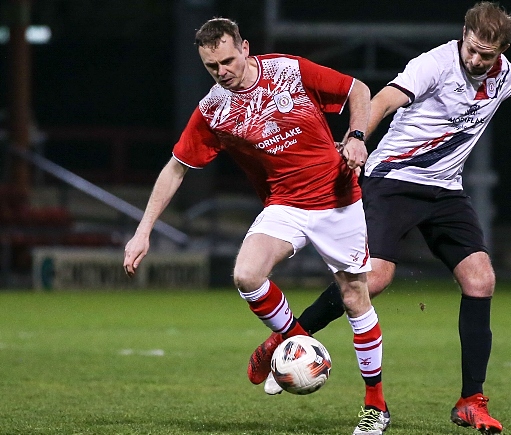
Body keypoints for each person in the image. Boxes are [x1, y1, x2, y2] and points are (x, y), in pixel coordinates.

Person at [247, 2, 511, 434]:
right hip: (392, 180)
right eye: (472, 50)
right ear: (464, 35)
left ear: (502, 50)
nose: (476, 60)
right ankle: (284, 338)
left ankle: (471, 400)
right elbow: (383, 99)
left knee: (480, 279)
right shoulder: (433, 64)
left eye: (486, 55)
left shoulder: (504, 74)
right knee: (373, 279)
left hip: (445, 192)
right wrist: (358, 136)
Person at [122, 18, 391, 435]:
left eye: (227, 60)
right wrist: (143, 231)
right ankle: (292, 341)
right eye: (212, 66)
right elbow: (175, 169)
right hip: (285, 204)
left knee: (355, 296)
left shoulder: (288, 70)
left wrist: (356, 135)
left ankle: (376, 406)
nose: (222, 71)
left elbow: (358, 89)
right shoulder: (214, 109)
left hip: (337, 199)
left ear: (245, 48)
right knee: (246, 274)